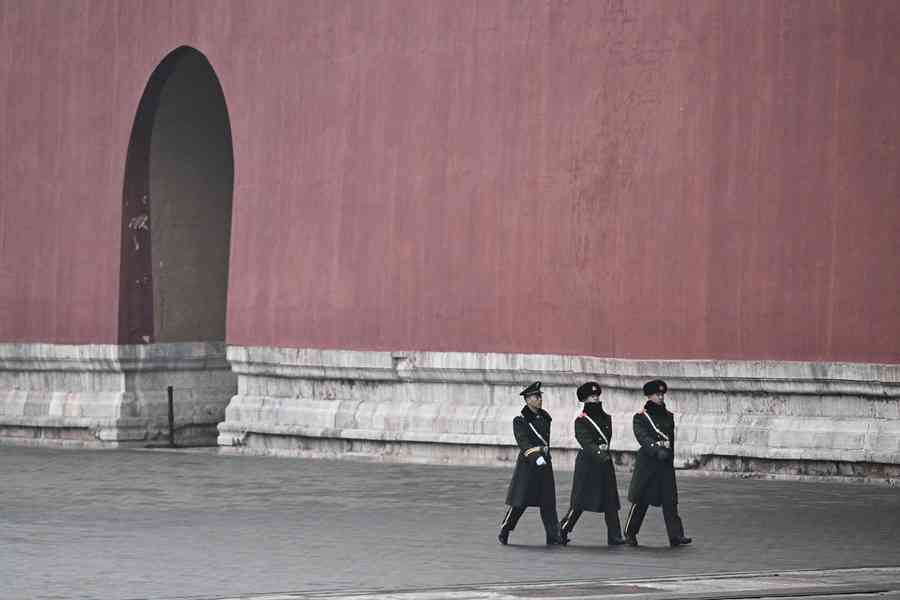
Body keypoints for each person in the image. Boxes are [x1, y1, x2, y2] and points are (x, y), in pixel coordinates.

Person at [623, 379, 692, 547]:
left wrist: (669, 457)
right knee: (641, 501)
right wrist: (656, 450)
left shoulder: (668, 416)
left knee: (670, 501)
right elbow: (643, 437)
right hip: (648, 464)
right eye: (657, 394)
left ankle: (676, 535)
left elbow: (671, 441)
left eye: (662, 394)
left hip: (665, 464)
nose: (661, 397)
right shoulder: (640, 417)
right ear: (649, 396)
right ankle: (629, 533)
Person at [559, 381, 625, 545]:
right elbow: (586, 442)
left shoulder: (606, 418)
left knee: (610, 500)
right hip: (588, 464)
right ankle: (562, 530)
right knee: (580, 501)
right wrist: (601, 455)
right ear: (584, 399)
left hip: (604, 463)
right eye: (591, 396)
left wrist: (605, 457)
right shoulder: (581, 421)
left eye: (596, 396)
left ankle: (614, 536)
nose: (595, 399)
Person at [498, 381, 563, 546]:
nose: (540, 399)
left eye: (540, 396)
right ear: (527, 399)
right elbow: (523, 442)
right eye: (536, 396)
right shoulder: (519, 421)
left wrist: (544, 457)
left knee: (548, 503)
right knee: (520, 503)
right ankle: (505, 529)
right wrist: (537, 456)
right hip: (528, 465)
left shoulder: (545, 417)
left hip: (544, 465)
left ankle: (553, 536)